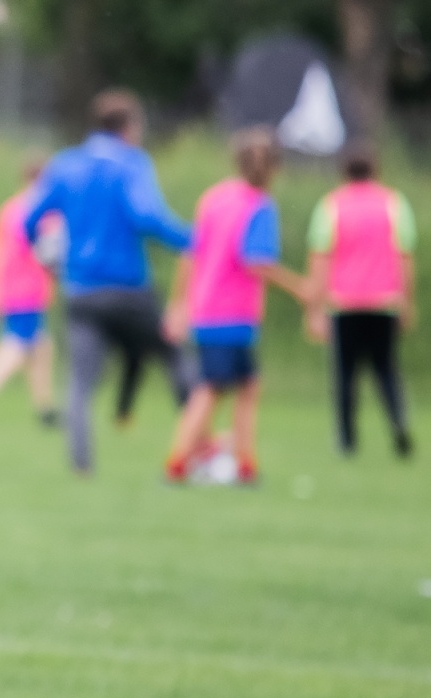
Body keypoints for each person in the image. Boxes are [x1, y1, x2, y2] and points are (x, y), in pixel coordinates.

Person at [23, 88, 196, 474]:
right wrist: (194, 240)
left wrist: (48, 255)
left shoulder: (66, 164)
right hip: (128, 289)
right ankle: (197, 448)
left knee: (81, 383)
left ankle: (81, 466)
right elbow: (146, 217)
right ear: (129, 127)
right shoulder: (131, 164)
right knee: (174, 357)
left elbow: (29, 218)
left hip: (81, 291)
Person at [161, 127, 312, 485]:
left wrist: (179, 303)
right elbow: (255, 260)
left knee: (247, 385)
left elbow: (190, 254)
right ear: (275, 167)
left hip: (206, 307)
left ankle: (245, 465)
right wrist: (299, 287)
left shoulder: (214, 198)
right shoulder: (260, 206)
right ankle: (177, 463)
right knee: (211, 388)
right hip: (232, 312)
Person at [306, 141, 417, 458]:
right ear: (375, 168)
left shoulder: (332, 206)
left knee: (345, 374)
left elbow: (321, 258)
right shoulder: (394, 204)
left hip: (344, 302)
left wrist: (315, 306)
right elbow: (404, 257)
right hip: (385, 301)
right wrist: (407, 302)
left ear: (343, 171)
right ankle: (398, 422)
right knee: (386, 369)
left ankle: (346, 439)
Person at [0, 156, 62, 427]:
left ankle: (45, 408)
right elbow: (52, 252)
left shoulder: (9, 209)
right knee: (15, 347)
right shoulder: (45, 212)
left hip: (9, 287)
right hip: (28, 290)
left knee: (41, 348)